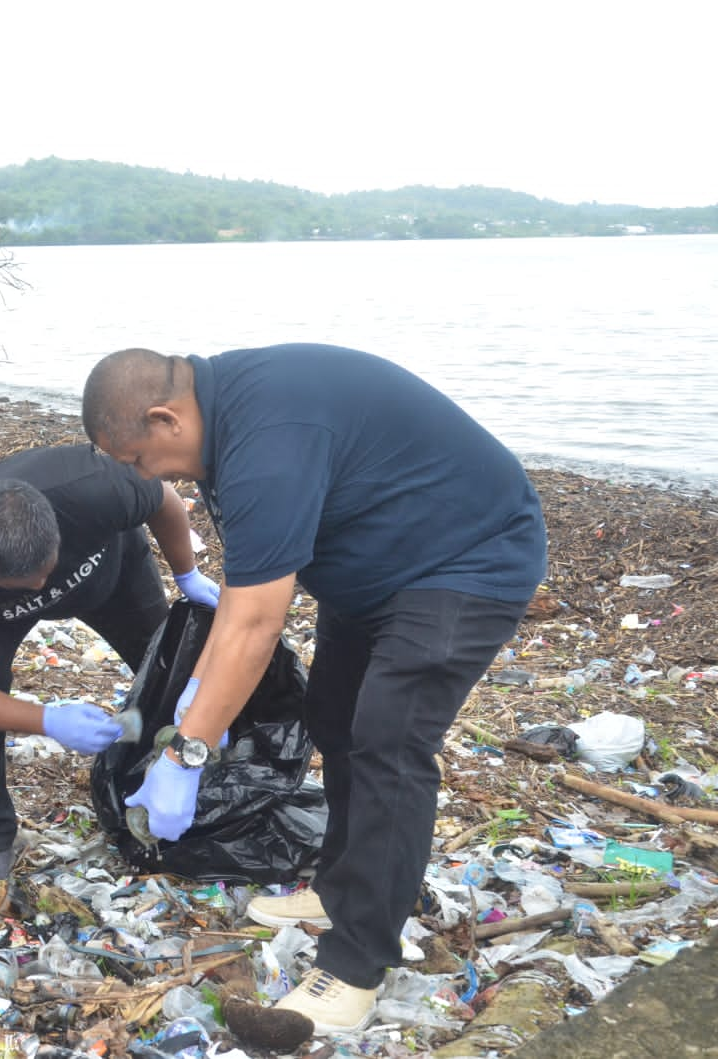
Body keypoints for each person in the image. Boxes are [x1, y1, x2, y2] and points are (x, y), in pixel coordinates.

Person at [82, 344, 546, 1034]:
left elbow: (260, 624)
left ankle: (357, 962)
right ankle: (341, 887)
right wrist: (195, 699)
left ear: (165, 418)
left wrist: (186, 756)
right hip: (379, 564)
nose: (145, 478)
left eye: (138, 460)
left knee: (389, 738)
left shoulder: (268, 440)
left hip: (466, 559)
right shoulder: (224, 417)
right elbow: (243, 592)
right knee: (332, 714)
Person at [0, 444, 220, 892]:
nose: (42, 586)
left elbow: (164, 499)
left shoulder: (95, 487)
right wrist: (46, 720)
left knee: (167, 667)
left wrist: (186, 572)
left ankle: (194, 772)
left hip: (114, 575)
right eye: (26, 582)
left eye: (46, 569)